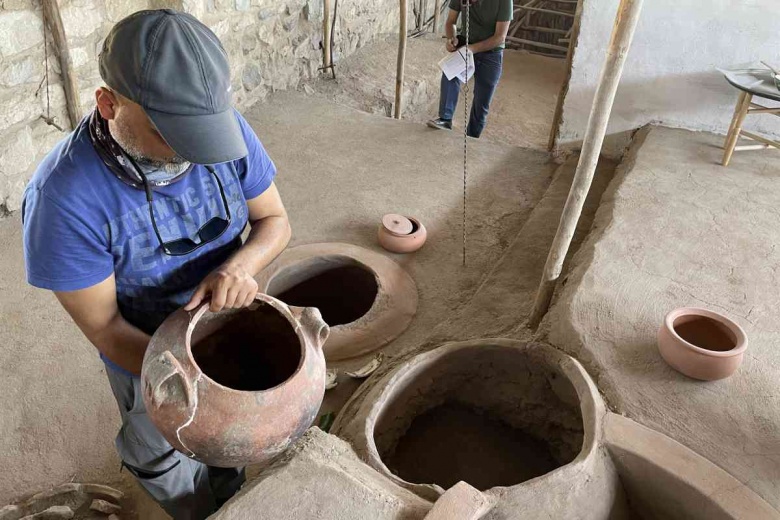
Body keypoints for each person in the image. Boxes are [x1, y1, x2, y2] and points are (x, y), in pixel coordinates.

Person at [21, 9, 291, 520]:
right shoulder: (64, 200)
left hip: (227, 327)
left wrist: (241, 266)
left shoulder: (224, 131)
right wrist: (193, 382)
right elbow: (105, 327)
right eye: (171, 132)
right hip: (145, 351)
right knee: (165, 454)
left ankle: (225, 487)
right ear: (108, 103)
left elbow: (275, 220)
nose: (194, 154)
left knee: (225, 452)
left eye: (203, 133)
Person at [427, 0, 512, 138]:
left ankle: (472, 137)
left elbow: (500, 37)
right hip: (467, 43)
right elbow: (451, 22)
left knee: (482, 103)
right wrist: (451, 39)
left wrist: (472, 49)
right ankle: (445, 119)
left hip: (492, 52)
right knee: (450, 72)